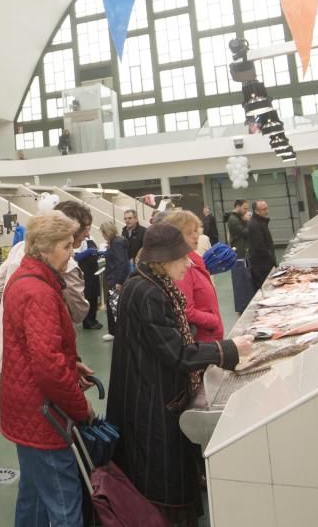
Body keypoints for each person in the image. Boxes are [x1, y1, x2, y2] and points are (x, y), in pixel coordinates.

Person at [106, 223, 253, 525]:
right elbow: (177, 353)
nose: (189, 262)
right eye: (182, 257)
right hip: (151, 401)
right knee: (160, 477)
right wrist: (229, 350)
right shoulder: (148, 292)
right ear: (162, 260)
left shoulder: (151, 283)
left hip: (151, 392)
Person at [0, 211, 95, 527]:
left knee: (34, 495)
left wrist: (72, 363)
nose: (72, 253)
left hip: (24, 406)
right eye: (67, 246)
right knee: (65, 503)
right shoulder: (39, 291)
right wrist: (81, 409)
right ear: (44, 248)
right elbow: (49, 368)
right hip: (43, 413)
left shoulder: (27, 280)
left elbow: (39, 349)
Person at [0, 201, 96, 370]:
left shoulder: (19, 249)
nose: (87, 235)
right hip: (43, 356)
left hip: (10, 346)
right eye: (85, 229)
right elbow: (79, 312)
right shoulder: (66, 266)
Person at [159, 211, 223, 342]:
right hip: (202, 340)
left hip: (210, 336)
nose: (195, 236)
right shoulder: (182, 268)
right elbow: (186, 310)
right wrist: (214, 320)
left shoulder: (194, 260)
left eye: (195, 230)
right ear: (175, 237)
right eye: (189, 233)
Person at [99, 220, 129, 342]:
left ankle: (114, 332)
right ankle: (114, 331)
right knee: (113, 306)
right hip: (113, 278)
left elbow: (121, 263)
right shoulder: (116, 241)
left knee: (114, 306)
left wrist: (119, 281)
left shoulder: (116, 243)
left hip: (115, 279)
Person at [225, 199, 253, 315]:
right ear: (238, 206)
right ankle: (242, 306)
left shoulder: (237, 218)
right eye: (245, 208)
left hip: (242, 253)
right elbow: (245, 233)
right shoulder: (233, 220)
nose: (246, 211)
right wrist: (248, 222)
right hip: (239, 255)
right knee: (240, 281)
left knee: (245, 281)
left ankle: (245, 304)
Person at [75, 228, 103, 330]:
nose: (87, 232)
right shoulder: (79, 240)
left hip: (94, 271)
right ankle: (87, 322)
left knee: (95, 295)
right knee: (88, 296)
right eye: (85, 230)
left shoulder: (92, 238)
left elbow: (96, 252)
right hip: (85, 272)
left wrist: (98, 253)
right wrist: (87, 252)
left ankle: (93, 319)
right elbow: (76, 256)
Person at [247, 200, 277, 292]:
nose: (266, 211)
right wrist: (271, 261)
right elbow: (259, 246)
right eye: (264, 209)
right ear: (256, 211)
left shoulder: (261, 222)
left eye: (267, 208)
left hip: (264, 264)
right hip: (261, 266)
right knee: (264, 288)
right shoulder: (255, 225)